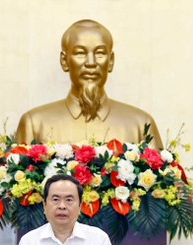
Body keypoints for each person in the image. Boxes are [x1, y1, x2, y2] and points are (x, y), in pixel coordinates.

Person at [16, 19, 162, 149]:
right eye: (80, 53)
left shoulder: (140, 125)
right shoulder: (34, 124)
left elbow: (163, 171)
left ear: (111, 61)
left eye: (100, 53)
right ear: (64, 61)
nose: (91, 63)